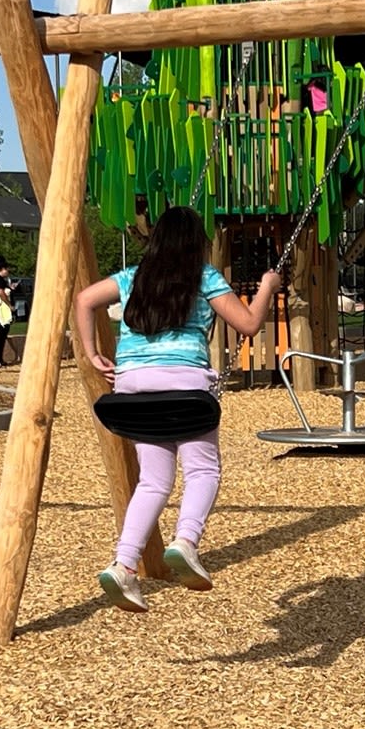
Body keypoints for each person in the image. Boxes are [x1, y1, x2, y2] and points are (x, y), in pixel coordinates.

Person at [71, 206, 279, 613]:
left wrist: (93, 354)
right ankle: (186, 541)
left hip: (132, 388)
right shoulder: (204, 278)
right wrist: (268, 284)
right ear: (196, 244)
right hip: (184, 386)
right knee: (203, 470)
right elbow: (250, 325)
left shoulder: (134, 278)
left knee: (153, 482)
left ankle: (124, 565)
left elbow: (84, 299)